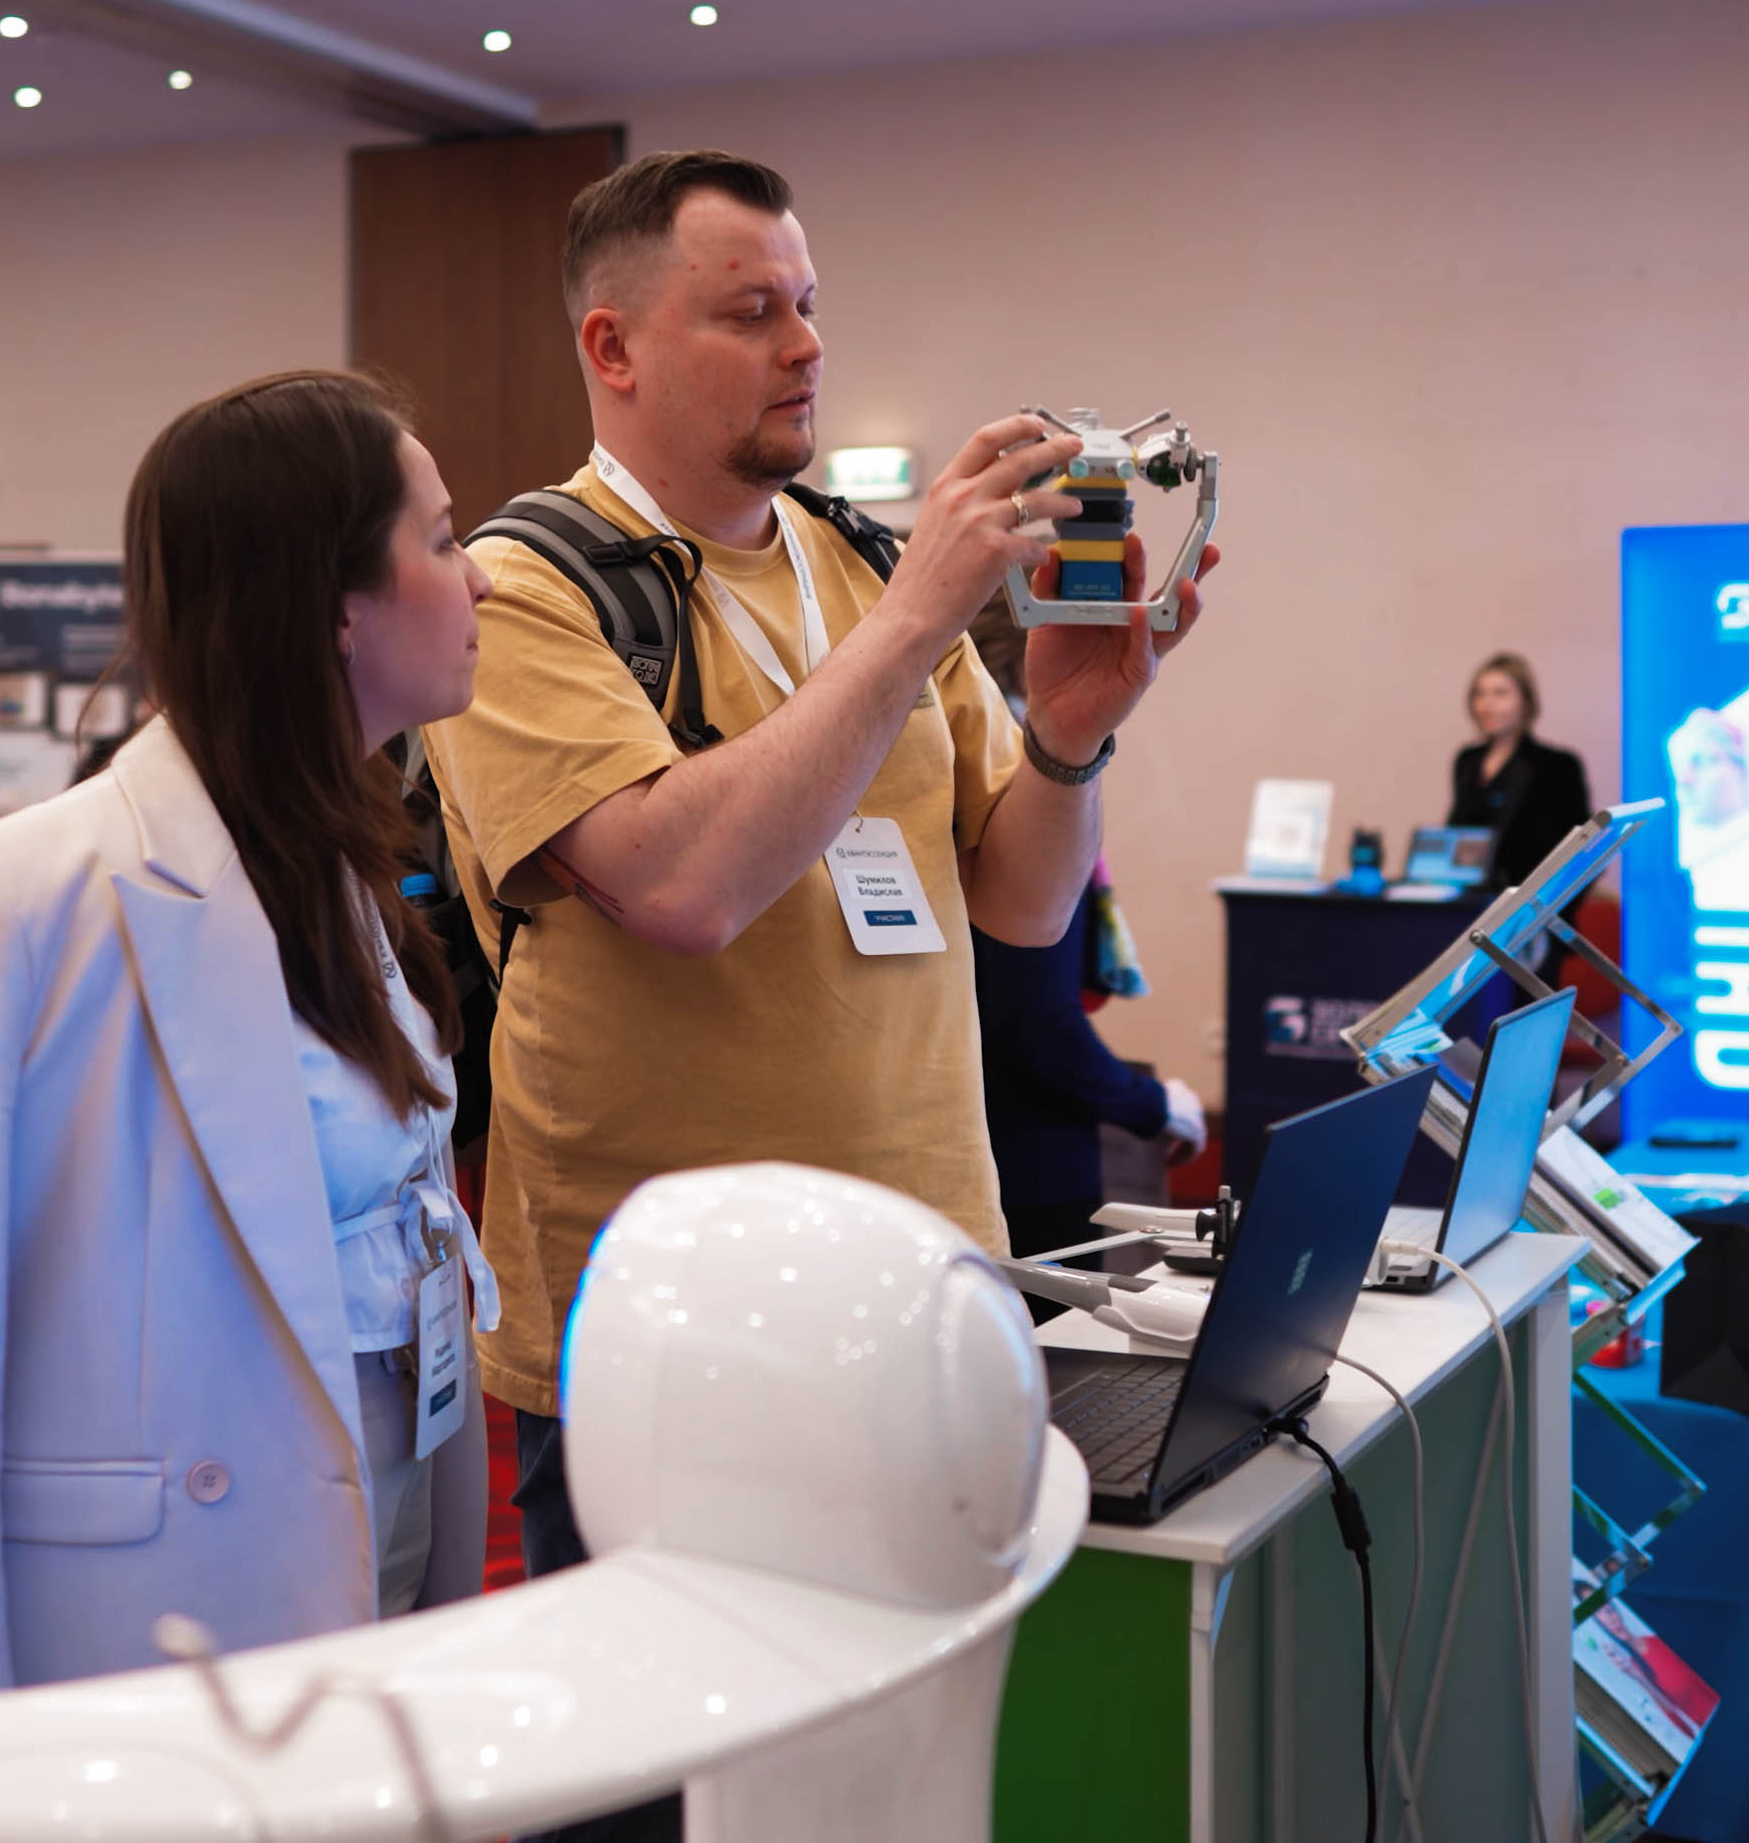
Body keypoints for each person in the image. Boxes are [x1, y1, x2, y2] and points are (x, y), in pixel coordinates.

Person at [424, 149, 1223, 1589]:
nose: (805, 346)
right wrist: (917, 621)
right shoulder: (526, 588)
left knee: (920, 1721)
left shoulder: (856, 566)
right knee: (669, 1728)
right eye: (751, 313)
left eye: (808, 305)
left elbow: (1021, 905)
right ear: (613, 347)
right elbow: (684, 890)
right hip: (671, 1335)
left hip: (928, 1286)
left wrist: (1066, 737)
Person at [0, 372, 499, 1702]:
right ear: (332, 605)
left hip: (382, 1524)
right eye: (441, 539)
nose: (480, 576)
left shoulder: (349, 863)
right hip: (160, 1609)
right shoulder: (23, 897)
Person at [964, 600, 1208, 1273]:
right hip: (1023, 1168)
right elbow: (1033, 1022)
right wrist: (1152, 1104)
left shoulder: (978, 755)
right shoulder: (1008, 776)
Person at [1448, 650, 1592, 893]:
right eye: (1479, 694)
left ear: (1526, 701)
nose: (1487, 704)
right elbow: (1457, 832)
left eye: (1500, 693)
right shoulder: (1467, 760)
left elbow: (1577, 849)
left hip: (1530, 900)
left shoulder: (1557, 765)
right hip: (1472, 898)